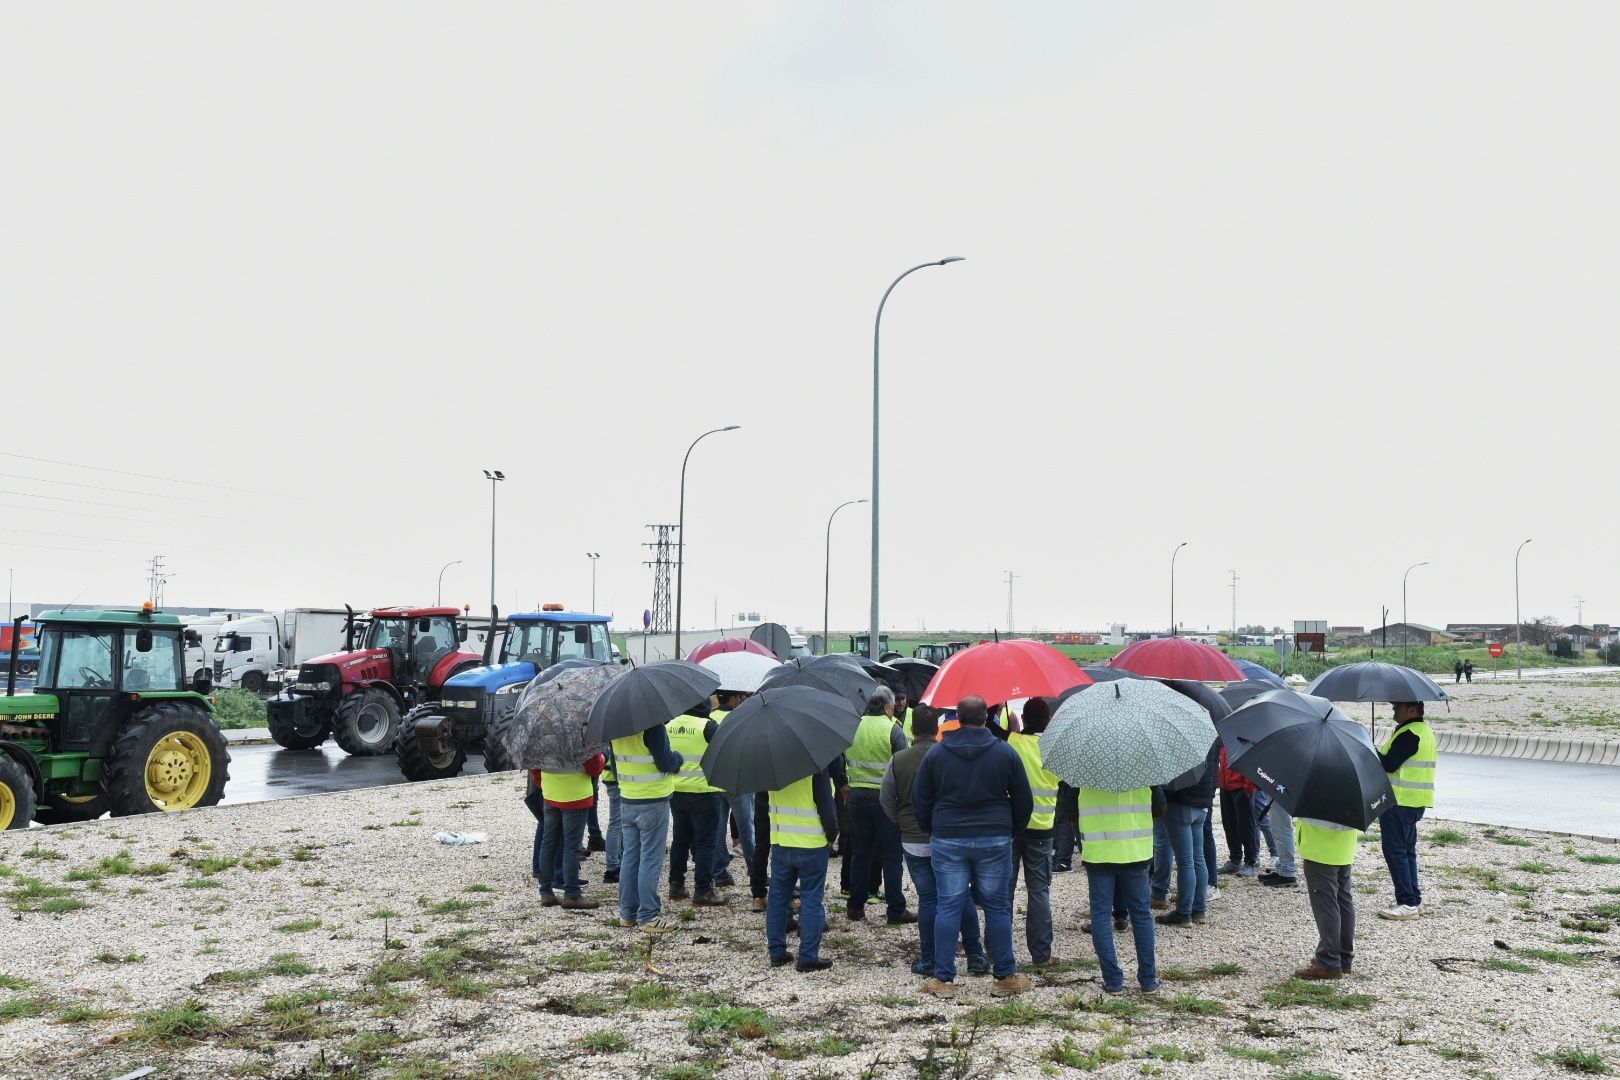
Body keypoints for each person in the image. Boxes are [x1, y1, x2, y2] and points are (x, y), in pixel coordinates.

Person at [911, 695, 1034, 998]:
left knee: (948, 905)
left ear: (958, 718)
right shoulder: (1005, 753)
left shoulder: (937, 754)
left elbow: (920, 798)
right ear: (985, 718)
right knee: (997, 906)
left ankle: (944, 979)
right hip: (994, 836)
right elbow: (1023, 798)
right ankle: (1004, 975)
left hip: (949, 836)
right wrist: (1011, 829)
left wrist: (933, 826)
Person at [881, 705, 989, 978]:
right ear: (937, 727)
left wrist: (902, 822)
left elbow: (886, 800)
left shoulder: (899, 760)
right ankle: (975, 954)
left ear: (913, 729)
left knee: (928, 899)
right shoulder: (948, 755)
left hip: (914, 840)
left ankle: (929, 958)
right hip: (949, 836)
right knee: (960, 895)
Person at [1078, 781, 1164, 994]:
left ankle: (1113, 980)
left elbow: (1070, 813)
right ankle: (1148, 978)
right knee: (1141, 914)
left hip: (1099, 853)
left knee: (1100, 915)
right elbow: (1161, 809)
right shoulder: (1144, 771)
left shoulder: (1082, 776)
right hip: (1135, 851)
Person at [845, 686, 915, 924]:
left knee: (860, 854)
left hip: (856, 797)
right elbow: (903, 767)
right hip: (885, 801)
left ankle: (855, 906)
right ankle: (895, 909)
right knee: (892, 855)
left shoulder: (853, 725)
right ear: (887, 707)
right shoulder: (893, 730)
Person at [611, 718, 684, 934]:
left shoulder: (615, 729)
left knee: (630, 857)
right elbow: (665, 761)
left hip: (628, 799)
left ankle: (627, 913)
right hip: (653, 799)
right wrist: (678, 759)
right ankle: (648, 915)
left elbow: (615, 768)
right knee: (650, 858)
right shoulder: (652, 725)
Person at [764, 763, 840, 972]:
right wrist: (832, 835)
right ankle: (807, 956)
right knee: (812, 899)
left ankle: (777, 952)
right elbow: (826, 805)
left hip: (781, 841)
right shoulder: (815, 767)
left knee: (778, 898)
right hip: (811, 843)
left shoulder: (771, 767)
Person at [1005, 696, 1059, 965]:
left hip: (1012, 827)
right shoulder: (1053, 748)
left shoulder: (1012, 743)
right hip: (1042, 829)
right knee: (1038, 891)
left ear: (1023, 719)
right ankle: (1041, 954)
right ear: (1048, 721)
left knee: (1004, 890)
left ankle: (998, 950)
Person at [665, 704, 729, 907]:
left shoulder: (670, 725)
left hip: (676, 790)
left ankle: (676, 885)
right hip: (704, 792)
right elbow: (723, 752)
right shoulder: (708, 726)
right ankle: (703, 890)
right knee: (705, 842)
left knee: (680, 840)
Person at [1377, 701, 1436, 920]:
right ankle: (1414, 900)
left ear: (1413, 709)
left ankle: (1407, 903)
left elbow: (1390, 764)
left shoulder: (1409, 733)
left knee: (1396, 851)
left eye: (1397, 707)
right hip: (1415, 801)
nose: (1394, 710)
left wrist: (1370, 751)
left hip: (1399, 802)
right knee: (1407, 851)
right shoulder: (1424, 731)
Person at [1154, 738, 1216, 926]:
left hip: (1181, 803)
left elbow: (1174, 778)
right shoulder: (1210, 735)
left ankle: (1184, 913)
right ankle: (1199, 909)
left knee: (1185, 861)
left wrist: (1164, 797)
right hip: (1202, 802)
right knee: (1198, 858)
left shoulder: (1180, 738)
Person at [1293, 814, 1361, 979]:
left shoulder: (1318, 787)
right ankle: (1343, 957)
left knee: (1326, 904)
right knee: (1343, 900)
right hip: (1344, 844)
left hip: (1319, 846)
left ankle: (1328, 962)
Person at [536, 751, 606, 910]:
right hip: (576, 795)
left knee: (548, 843)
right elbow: (594, 767)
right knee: (572, 846)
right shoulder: (579, 734)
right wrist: (602, 758)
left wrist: (544, 782)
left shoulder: (542, 735)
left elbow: (534, 766)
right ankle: (572, 894)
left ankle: (546, 892)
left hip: (551, 793)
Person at [710, 689, 756, 890]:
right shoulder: (740, 717)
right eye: (742, 697)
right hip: (739, 779)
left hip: (714, 779)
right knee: (747, 827)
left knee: (718, 828)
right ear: (734, 698)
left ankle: (720, 872)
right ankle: (755, 871)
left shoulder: (709, 718)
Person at [1217, 745, 1259, 878]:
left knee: (1245, 826)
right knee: (1229, 824)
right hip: (1225, 787)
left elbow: (1251, 762)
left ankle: (1250, 862)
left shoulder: (1243, 738)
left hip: (1241, 788)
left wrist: (1248, 787)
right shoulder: (1225, 739)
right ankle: (1235, 859)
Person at [1257, 790, 1299, 888]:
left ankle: (1287, 871)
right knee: (1277, 827)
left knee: (1281, 827)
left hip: (1281, 787)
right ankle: (1282, 868)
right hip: (1277, 788)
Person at [601, 756, 623, 885]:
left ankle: (616, 862)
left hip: (612, 777)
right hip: (618, 779)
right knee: (616, 824)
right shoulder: (618, 735)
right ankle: (613, 867)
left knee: (617, 823)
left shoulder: (608, 735)